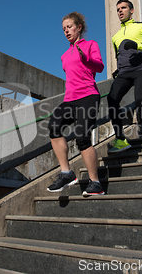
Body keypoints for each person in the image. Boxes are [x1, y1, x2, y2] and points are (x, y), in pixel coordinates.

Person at [47, 12, 105, 196]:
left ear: (79, 27)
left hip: (88, 95)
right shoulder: (64, 55)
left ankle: (95, 183)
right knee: (53, 126)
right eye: (64, 29)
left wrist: (85, 58)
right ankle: (67, 173)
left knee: (82, 137)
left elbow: (99, 67)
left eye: (69, 27)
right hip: (70, 99)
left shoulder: (90, 45)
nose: (66, 31)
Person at [107, 0, 142, 154]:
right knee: (111, 99)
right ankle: (120, 139)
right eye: (118, 9)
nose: (120, 11)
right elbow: (119, 56)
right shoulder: (115, 37)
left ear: (131, 10)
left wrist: (138, 45)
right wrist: (118, 69)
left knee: (140, 100)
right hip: (124, 73)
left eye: (123, 8)